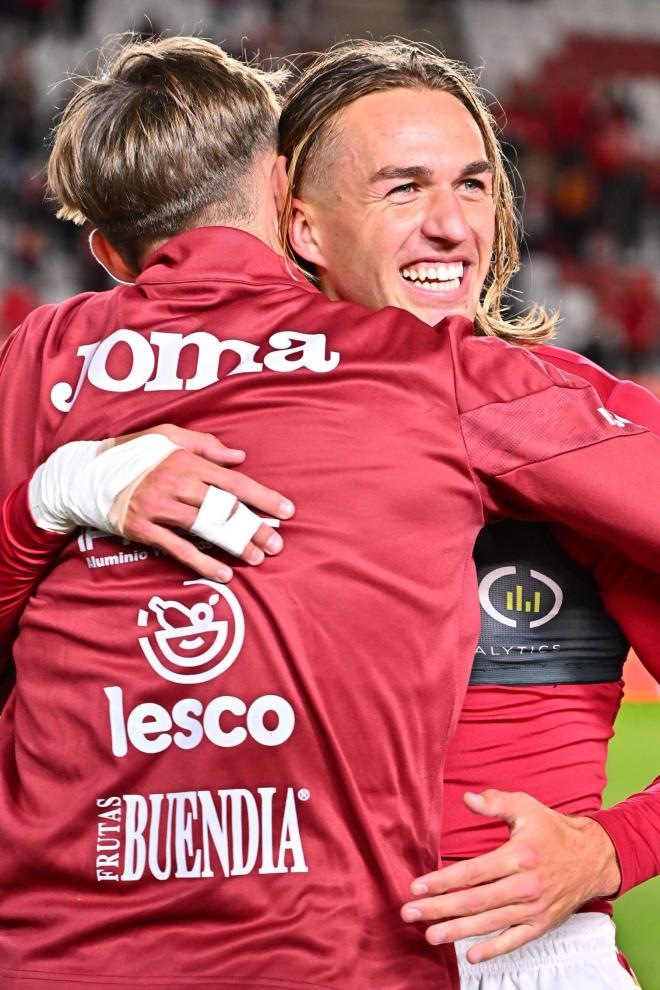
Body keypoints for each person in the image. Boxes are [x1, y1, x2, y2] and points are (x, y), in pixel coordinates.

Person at [1, 35, 659, 990]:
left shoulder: (548, 411)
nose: (448, 225)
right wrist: (61, 494)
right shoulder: (115, 405)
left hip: (509, 957)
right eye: (401, 189)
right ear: (292, 219)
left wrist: (613, 850)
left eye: (474, 185)